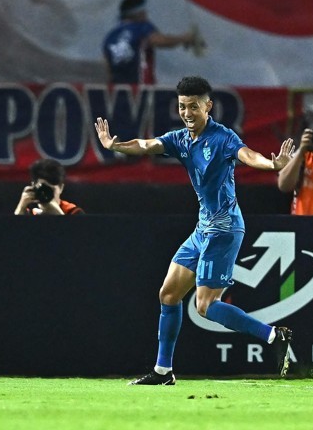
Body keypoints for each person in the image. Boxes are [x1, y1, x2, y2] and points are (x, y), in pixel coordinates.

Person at [94, 76, 295, 385]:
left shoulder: (223, 137)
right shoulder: (181, 138)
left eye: (193, 107)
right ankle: (163, 372)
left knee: (204, 306)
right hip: (203, 228)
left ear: (208, 106)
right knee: (169, 294)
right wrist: (115, 145)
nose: (187, 113)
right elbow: (147, 145)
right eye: (182, 107)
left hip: (224, 229)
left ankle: (272, 336)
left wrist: (273, 165)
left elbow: (248, 155)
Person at [102, 0, 204, 85]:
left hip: (118, 90)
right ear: (137, 13)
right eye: (143, 10)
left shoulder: (110, 37)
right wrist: (184, 38)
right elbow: (161, 41)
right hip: (142, 88)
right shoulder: (142, 27)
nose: (146, 13)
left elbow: (108, 70)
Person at [14, 158, 84, 216]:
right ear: (33, 187)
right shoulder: (28, 212)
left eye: (51, 190)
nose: (46, 194)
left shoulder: (73, 212)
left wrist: (57, 214)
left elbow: (76, 232)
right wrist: (20, 208)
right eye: (43, 189)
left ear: (61, 188)